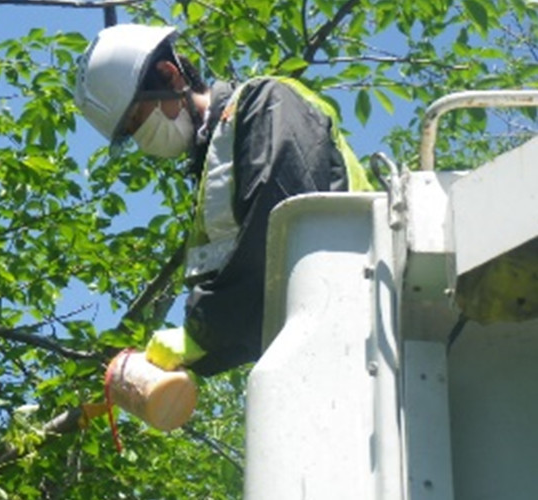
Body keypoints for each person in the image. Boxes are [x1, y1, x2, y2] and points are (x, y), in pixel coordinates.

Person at [75, 24, 373, 377]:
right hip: (323, 353)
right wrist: (196, 357)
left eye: (137, 120)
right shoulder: (214, 164)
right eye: (130, 135)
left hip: (364, 319)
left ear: (169, 76)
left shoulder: (263, 103)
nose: (142, 140)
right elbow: (258, 307)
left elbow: (282, 222)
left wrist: (201, 331)